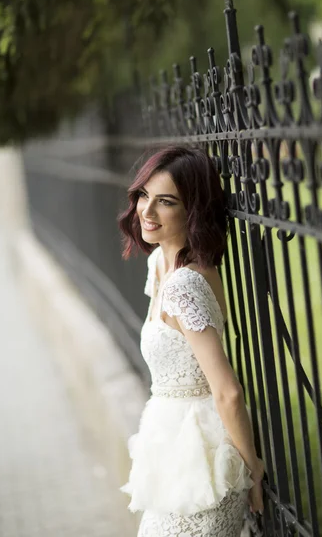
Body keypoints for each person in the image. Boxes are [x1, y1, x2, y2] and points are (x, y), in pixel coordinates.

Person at [117, 145, 264, 537]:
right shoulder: (159, 263)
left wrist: (253, 469)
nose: (146, 211)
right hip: (170, 450)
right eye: (144, 195)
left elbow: (227, 391)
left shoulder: (183, 285)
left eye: (165, 202)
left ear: (192, 211)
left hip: (203, 461)